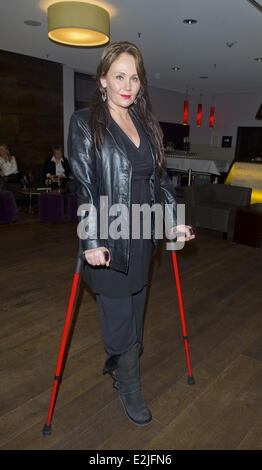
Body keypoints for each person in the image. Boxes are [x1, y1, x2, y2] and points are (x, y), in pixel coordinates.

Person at [68, 41, 195, 427]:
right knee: (120, 320)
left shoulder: (147, 125)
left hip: (143, 237)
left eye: (134, 77)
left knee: (135, 316)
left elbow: (161, 183)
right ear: (103, 79)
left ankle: (118, 365)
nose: (127, 84)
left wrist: (173, 221)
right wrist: (91, 241)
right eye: (119, 76)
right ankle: (129, 386)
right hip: (108, 239)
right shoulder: (85, 121)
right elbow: (85, 186)